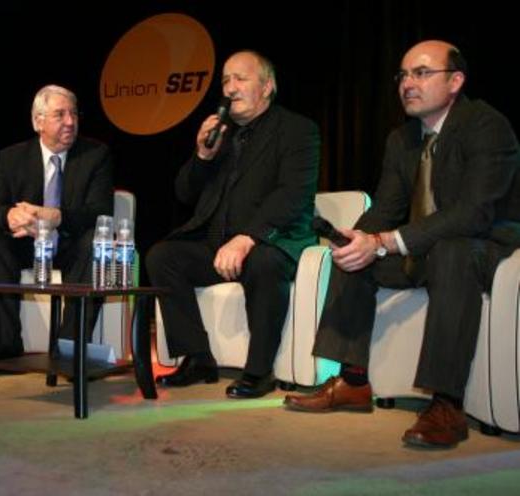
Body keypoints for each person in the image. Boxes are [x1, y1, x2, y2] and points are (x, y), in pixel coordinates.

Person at [284, 40, 520, 448]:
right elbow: (386, 209)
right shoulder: (402, 139)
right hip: (425, 247)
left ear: (455, 81)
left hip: (486, 246)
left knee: (452, 250)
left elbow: (475, 213)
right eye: (403, 75)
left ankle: (447, 405)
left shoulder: (487, 126)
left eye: (422, 73)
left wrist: (388, 241)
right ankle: (353, 380)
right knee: (353, 254)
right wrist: (360, 239)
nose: (408, 83)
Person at [147, 50, 320, 398]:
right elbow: (184, 193)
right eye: (225, 80)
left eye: (240, 79)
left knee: (263, 261)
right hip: (216, 243)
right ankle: (197, 358)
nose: (230, 88)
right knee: (162, 257)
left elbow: (292, 195)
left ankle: (259, 371)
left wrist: (248, 238)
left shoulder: (297, 130)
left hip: (271, 241)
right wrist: (202, 155)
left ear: (267, 86)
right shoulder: (221, 135)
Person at [0, 84, 113, 375]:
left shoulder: (95, 155)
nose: (70, 121)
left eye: (74, 114)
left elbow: (101, 213)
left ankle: (69, 348)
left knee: (95, 242)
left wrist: (57, 217)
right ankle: (3, 350)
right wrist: (10, 216)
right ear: (38, 121)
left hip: (70, 245)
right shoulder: (13, 157)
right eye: (60, 114)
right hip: (26, 244)